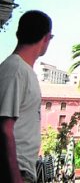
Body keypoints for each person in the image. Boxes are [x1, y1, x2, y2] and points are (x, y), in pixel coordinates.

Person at [0, 10, 53, 183]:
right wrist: (16, 177)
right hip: (15, 171)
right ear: (46, 38)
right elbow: (5, 128)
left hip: (22, 170)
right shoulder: (15, 70)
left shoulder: (23, 71)